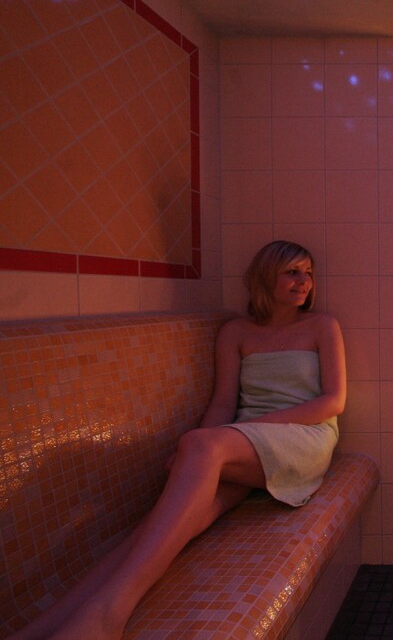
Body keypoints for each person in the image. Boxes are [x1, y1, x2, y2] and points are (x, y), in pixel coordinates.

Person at [13, 240, 347, 640]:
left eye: (308, 273)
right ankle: (43, 628)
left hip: (305, 438)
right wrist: (201, 449)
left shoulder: (321, 326)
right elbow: (223, 402)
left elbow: (333, 402)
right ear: (265, 277)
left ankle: (111, 613)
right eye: (292, 272)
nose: (304, 282)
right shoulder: (236, 332)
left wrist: (211, 443)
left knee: (199, 450)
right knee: (159, 526)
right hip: (243, 444)